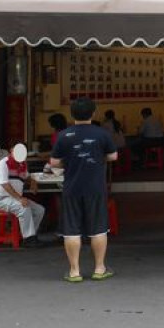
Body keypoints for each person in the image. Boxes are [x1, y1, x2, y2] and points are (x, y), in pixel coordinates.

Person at [51, 97, 118, 282]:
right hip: (95, 188)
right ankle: (99, 269)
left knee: (71, 230)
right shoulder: (102, 133)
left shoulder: (64, 135)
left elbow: (54, 162)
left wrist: (69, 160)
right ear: (93, 112)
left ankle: (74, 271)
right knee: (98, 228)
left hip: (71, 188)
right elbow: (113, 156)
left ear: (71, 114)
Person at [0, 143, 45, 248]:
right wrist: (20, 198)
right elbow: (5, 184)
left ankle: (30, 235)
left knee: (39, 210)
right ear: (11, 151)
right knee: (23, 207)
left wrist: (32, 181)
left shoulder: (22, 165)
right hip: (0, 199)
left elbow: (27, 176)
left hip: (14, 198)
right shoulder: (3, 163)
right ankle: (28, 239)